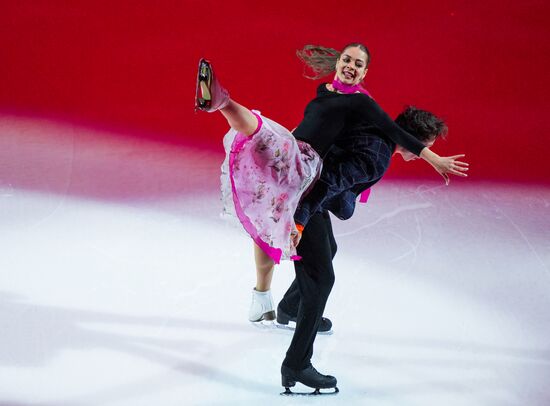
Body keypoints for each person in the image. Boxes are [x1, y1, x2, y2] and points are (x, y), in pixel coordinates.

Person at [194, 44, 468, 331]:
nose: (351, 66)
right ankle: (221, 101)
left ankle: (267, 299)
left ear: (364, 73)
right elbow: (385, 137)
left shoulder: (359, 103)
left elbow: (391, 131)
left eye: (358, 64)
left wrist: (430, 158)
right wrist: (432, 158)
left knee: (273, 219)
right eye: (347, 60)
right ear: (338, 63)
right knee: (262, 136)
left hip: (302, 169)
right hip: (299, 163)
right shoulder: (332, 95)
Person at [278, 104, 456, 393]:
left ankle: (289, 307)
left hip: (306, 190)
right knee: (321, 280)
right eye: (423, 148)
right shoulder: (376, 155)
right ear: (411, 138)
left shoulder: (376, 128)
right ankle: (296, 364)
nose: (421, 155)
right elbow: (327, 183)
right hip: (304, 198)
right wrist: (298, 223)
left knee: (328, 250)